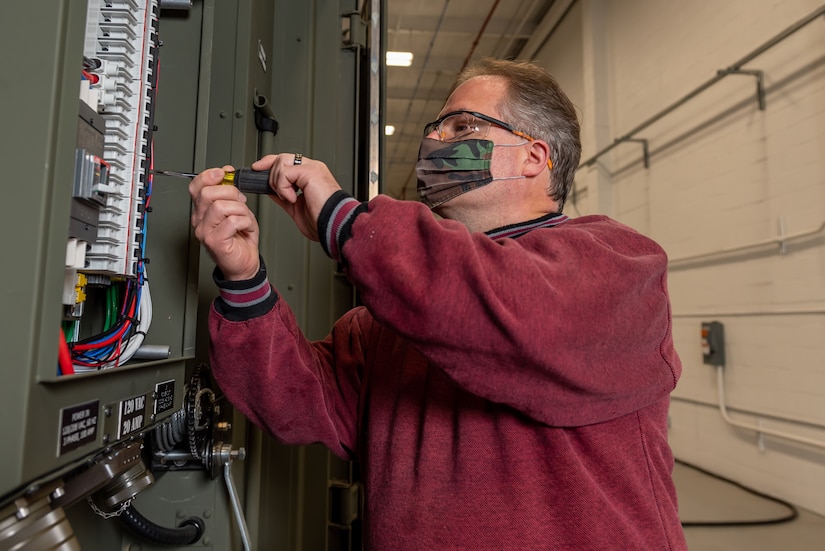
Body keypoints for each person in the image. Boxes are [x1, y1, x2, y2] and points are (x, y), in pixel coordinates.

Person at [189, 58, 687, 550]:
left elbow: (512, 312)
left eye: (463, 126)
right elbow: (296, 404)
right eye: (435, 129)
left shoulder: (620, 266)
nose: (436, 143)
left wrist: (345, 221)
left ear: (534, 157)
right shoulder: (383, 327)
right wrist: (243, 277)